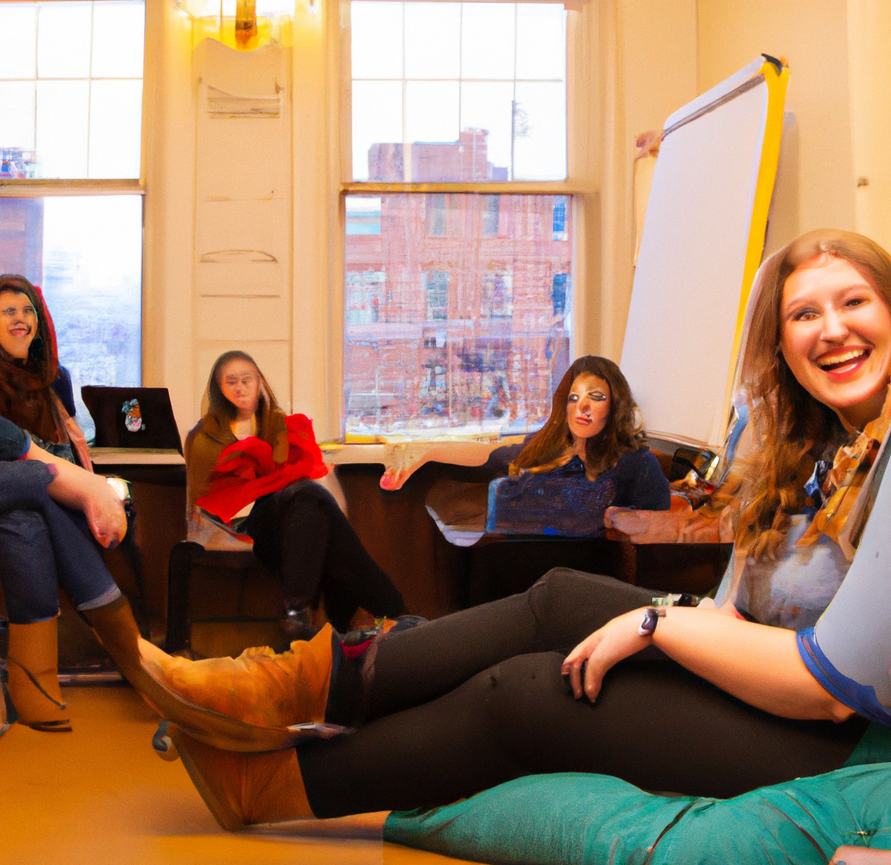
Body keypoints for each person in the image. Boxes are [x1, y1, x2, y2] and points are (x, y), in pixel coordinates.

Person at [137, 229, 891, 830]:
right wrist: (673, 623)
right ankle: (274, 689)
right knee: (556, 595)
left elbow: (830, 686)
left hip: (835, 731)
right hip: (762, 678)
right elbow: (732, 611)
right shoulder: (810, 451)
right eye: (804, 314)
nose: (832, 332)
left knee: (530, 693)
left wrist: (656, 624)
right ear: (783, 345)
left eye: (854, 303)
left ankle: (267, 784)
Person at [0, 274, 185, 732]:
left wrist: (96, 487)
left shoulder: (48, 378)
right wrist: (87, 490)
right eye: (9, 311)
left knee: (26, 518)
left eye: (28, 311)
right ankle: (138, 661)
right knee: (30, 483)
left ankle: (48, 677)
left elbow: (56, 450)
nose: (21, 319)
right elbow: (5, 445)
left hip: (18, 504)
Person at [185, 350, 409, 636]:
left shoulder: (277, 422)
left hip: (291, 517)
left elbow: (294, 471)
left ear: (259, 383)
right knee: (313, 502)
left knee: (312, 505)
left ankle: (297, 613)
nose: (240, 387)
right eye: (231, 382)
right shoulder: (205, 436)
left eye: (247, 380)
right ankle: (390, 610)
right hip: (243, 523)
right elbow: (204, 501)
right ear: (218, 388)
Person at [482, 355, 671, 534]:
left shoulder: (637, 463)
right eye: (574, 398)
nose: (582, 407)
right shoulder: (545, 448)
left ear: (615, 405)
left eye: (595, 396)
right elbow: (493, 463)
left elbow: (658, 532)